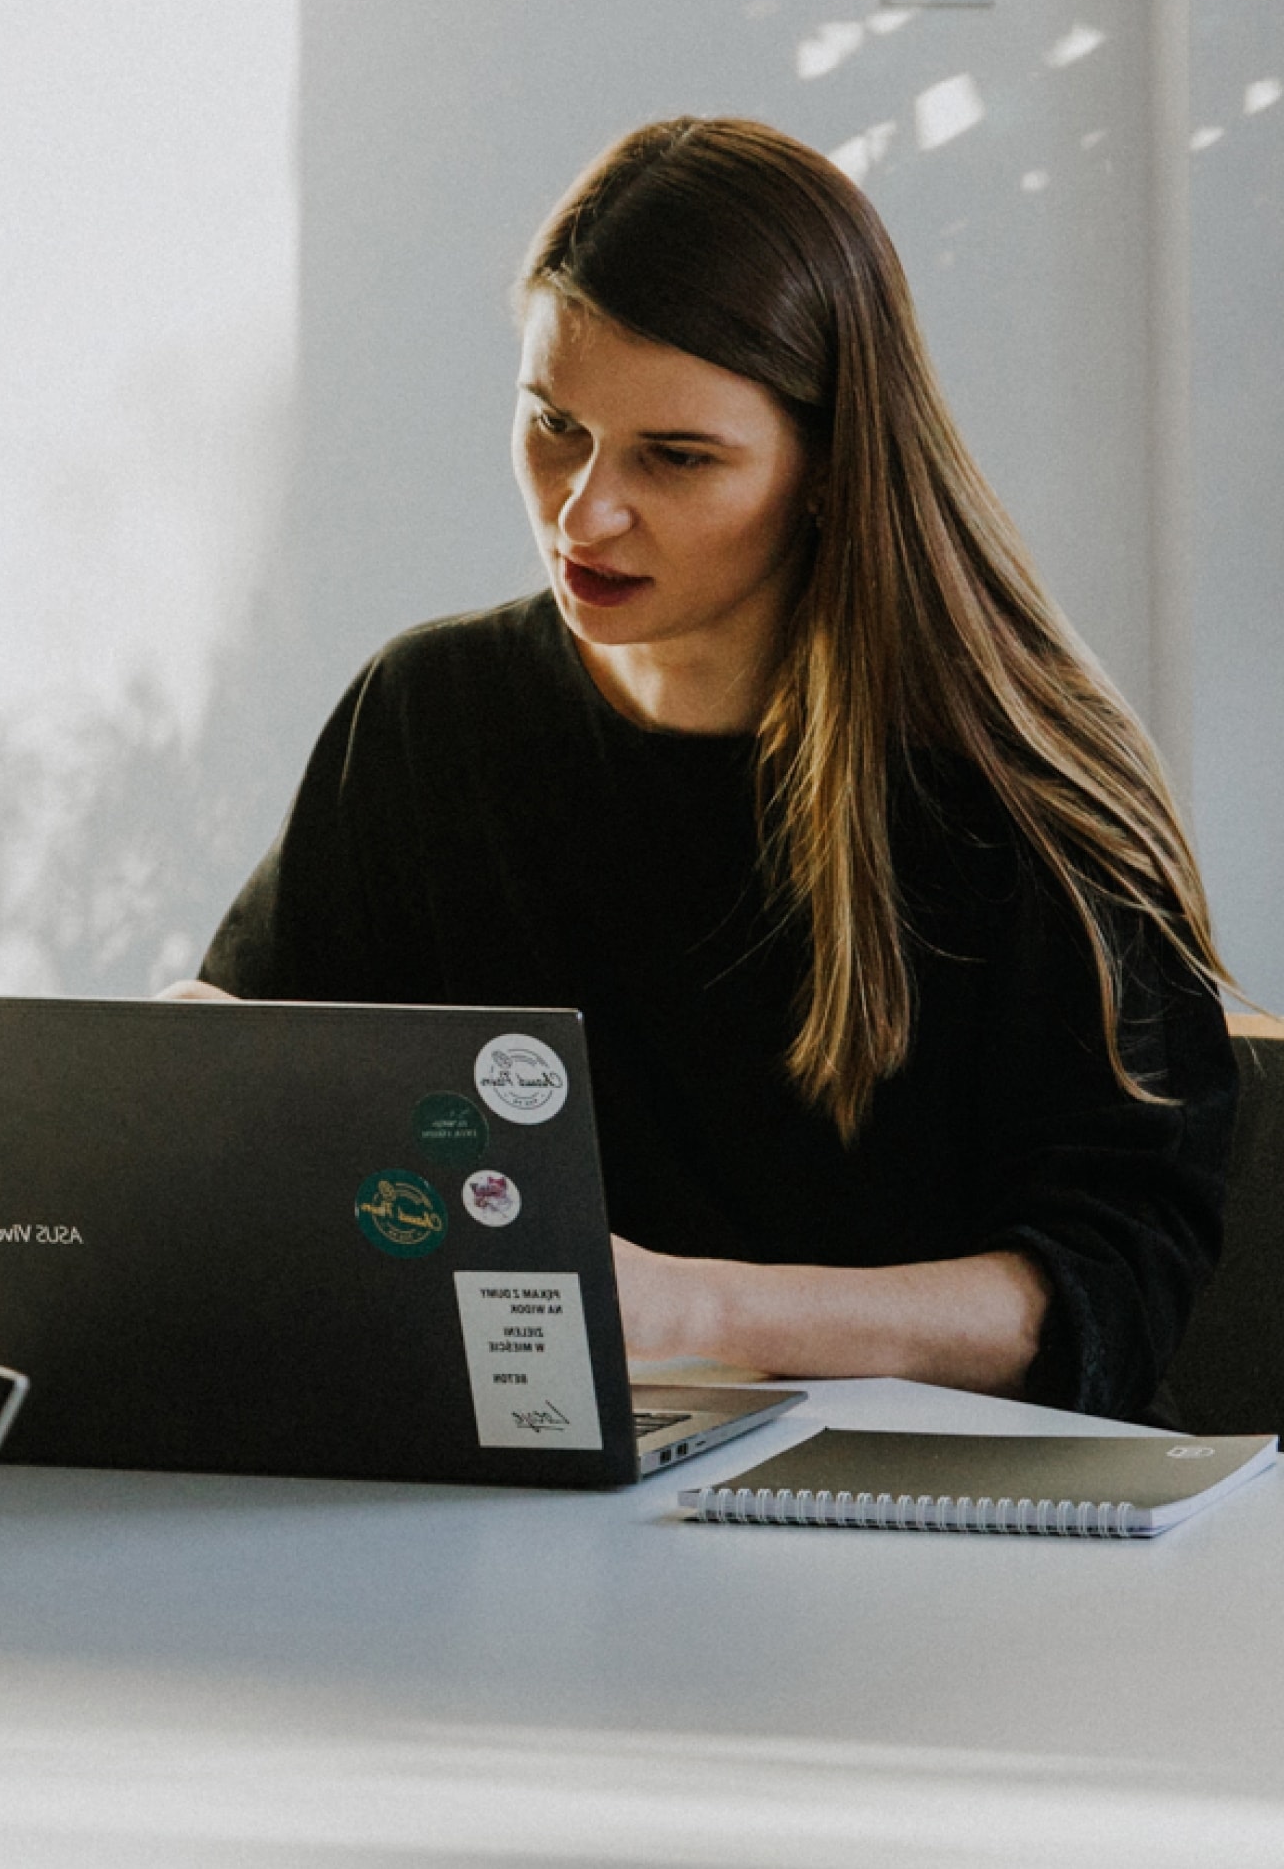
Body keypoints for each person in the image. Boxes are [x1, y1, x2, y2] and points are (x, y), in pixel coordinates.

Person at [169, 117, 1236, 1420]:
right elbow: (271, 1068)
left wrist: (700, 1317)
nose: (583, 512)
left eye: (675, 458)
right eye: (555, 425)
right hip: (522, 1494)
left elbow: (1107, 1288)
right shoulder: (428, 715)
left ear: (830, 467)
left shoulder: (1018, 791)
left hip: (921, 1527)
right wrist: (169, 1091)